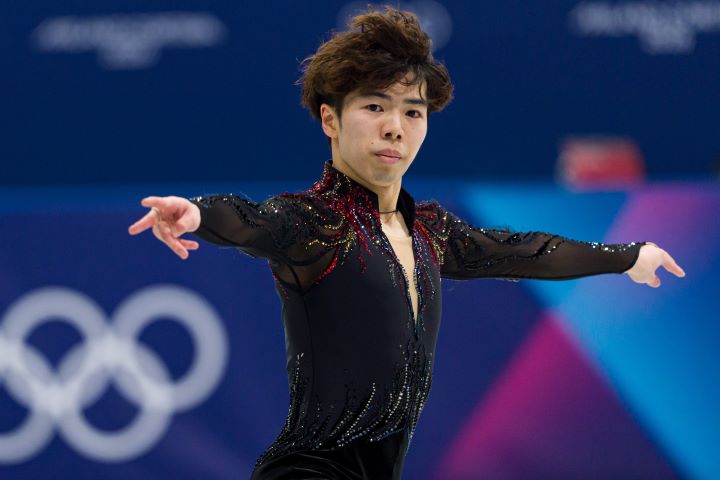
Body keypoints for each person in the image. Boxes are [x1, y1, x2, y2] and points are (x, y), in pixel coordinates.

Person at [128, 6, 685, 479]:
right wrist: (197, 213)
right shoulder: (316, 223)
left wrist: (628, 257)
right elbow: (253, 220)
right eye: (375, 106)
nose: (395, 126)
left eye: (412, 111)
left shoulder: (430, 232)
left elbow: (523, 251)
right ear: (330, 119)